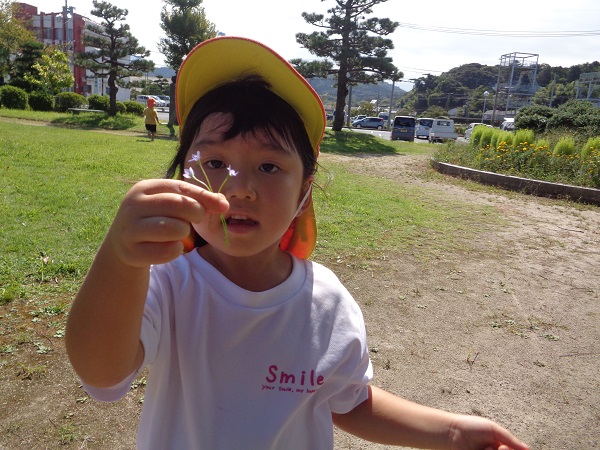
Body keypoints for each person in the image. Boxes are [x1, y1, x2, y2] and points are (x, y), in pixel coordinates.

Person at [66, 37, 529, 450]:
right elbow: (103, 375)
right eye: (215, 162)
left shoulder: (327, 303)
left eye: (269, 167)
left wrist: (452, 433)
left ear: (304, 191)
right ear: (183, 176)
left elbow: (350, 402)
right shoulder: (166, 283)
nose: (240, 188)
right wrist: (120, 259)